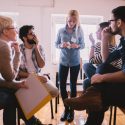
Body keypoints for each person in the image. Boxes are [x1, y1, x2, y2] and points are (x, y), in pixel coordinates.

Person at [64, 6, 125, 125]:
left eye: (110, 21)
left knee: (91, 84)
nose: (109, 24)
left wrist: (101, 77)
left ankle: (92, 100)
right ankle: (93, 98)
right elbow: (106, 60)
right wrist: (105, 38)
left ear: (118, 22)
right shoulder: (123, 40)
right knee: (97, 72)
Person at [17, 25, 59, 124]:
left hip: (39, 75)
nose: (34, 35)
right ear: (24, 37)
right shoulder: (18, 49)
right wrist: (33, 77)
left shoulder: (39, 47)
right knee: (21, 96)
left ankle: (29, 116)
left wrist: (36, 48)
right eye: (31, 34)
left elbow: (42, 64)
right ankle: (31, 119)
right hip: (24, 77)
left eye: (34, 33)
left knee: (54, 91)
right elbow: (18, 72)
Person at [55, 10, 85, 122]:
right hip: (63, 62)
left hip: (75, 62)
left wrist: (76, 45)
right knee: (62, 85)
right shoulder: (61, 30)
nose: (70, 23)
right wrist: (60, 45)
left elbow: (83, 45)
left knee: (73, 85)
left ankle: (71, 110)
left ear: (76, 21)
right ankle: (66, 109)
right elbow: (56, 44)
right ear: (66, 19)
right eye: (69, 21)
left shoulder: (79, 31)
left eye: (73, 21)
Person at [0, 15, 29, 125]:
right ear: (5, 31)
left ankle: (31, 121)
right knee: (13, 98)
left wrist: (15, 84)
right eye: (14, 28)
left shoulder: (3, 45)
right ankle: (31, 121)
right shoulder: (3, 46)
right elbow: (11, 76)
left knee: (16, 91)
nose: (17, 31)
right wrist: (17, 53)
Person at [83, 22, 122, 90]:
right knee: (86, 80)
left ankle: (100, 90)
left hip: (108, 73)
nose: (96, 32)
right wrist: (93, 43)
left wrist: (93, 44)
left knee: (87, 66)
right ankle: (92, 96)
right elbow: (93, 60)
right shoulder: (98, 44)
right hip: (100, 71)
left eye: (98, 30)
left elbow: (92, 60)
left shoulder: (111, 47)